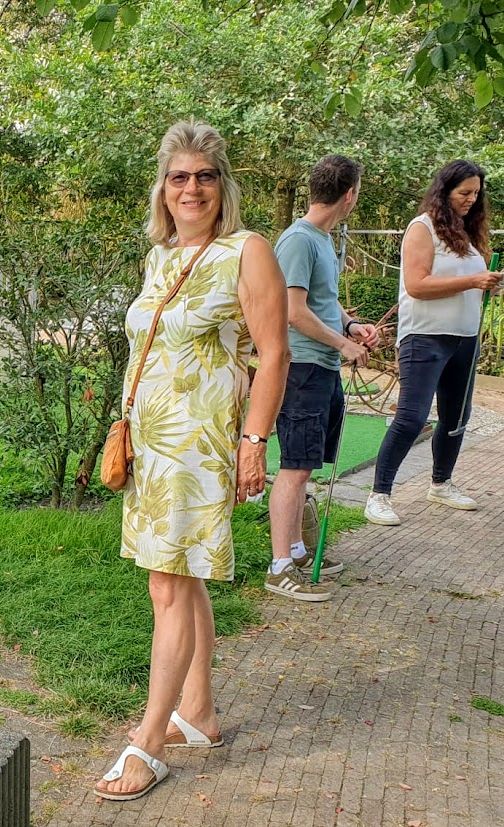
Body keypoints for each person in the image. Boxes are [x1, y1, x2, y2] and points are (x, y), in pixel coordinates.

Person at [95, 121, 289, 802]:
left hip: (200, 445)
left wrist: (254, 440)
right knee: (179, 578)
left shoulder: (247, 252)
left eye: (205, 175)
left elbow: (274, 353)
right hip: (152, 446)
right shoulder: (161, 258)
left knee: (170, 586)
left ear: (223, 185)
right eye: (179, 176)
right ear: (163, 187)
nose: (192, 188)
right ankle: (198, 712)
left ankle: (148, 741)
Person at [364, 160, 503, 526]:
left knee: (457, 417)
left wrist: (486, 281)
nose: (472, 200)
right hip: (424, 337)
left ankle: (441, 484)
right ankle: (379, 494)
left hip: (465, 338)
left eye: (476, 193)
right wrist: (473, 281)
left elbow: (470, 280)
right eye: (464, 193)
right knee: (411, 417)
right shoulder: (422, 228)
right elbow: (417, 285)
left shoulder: (468, 232)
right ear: (444, 191)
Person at [266, 155, 379, 602]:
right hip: (303, 370)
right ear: (348, 195)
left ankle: (295, 550)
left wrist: (351, 327)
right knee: (293, 469)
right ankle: (279, 568)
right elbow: (291, 312)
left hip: (322, 369)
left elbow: (322, 303)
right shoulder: (297, 241)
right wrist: (341, 344)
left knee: (305, 466)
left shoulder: (322, 239)